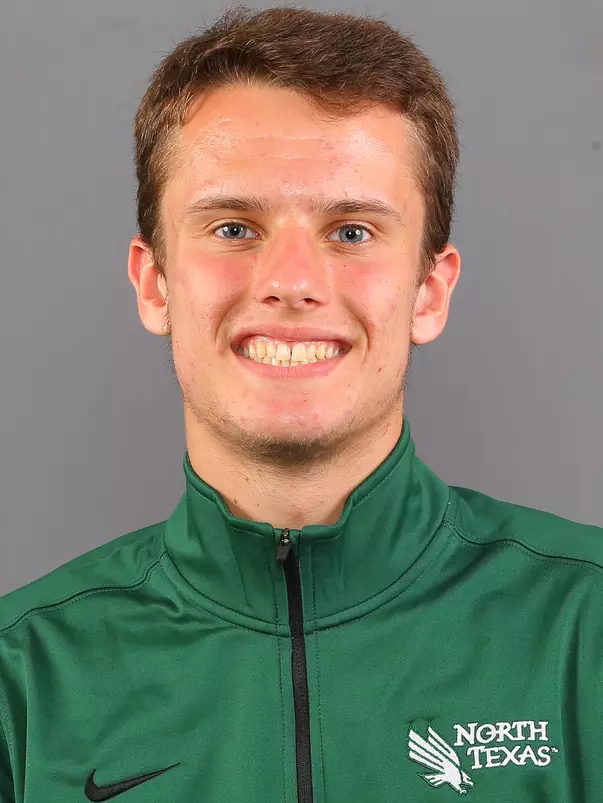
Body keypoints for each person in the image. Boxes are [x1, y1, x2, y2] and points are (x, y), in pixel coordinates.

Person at [0, 6, 601, 802]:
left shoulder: (584, 631)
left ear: (428, 290)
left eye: (351, 231)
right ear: (154, 283)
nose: (290, 279)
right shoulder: (23, 680)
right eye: (232, 226)